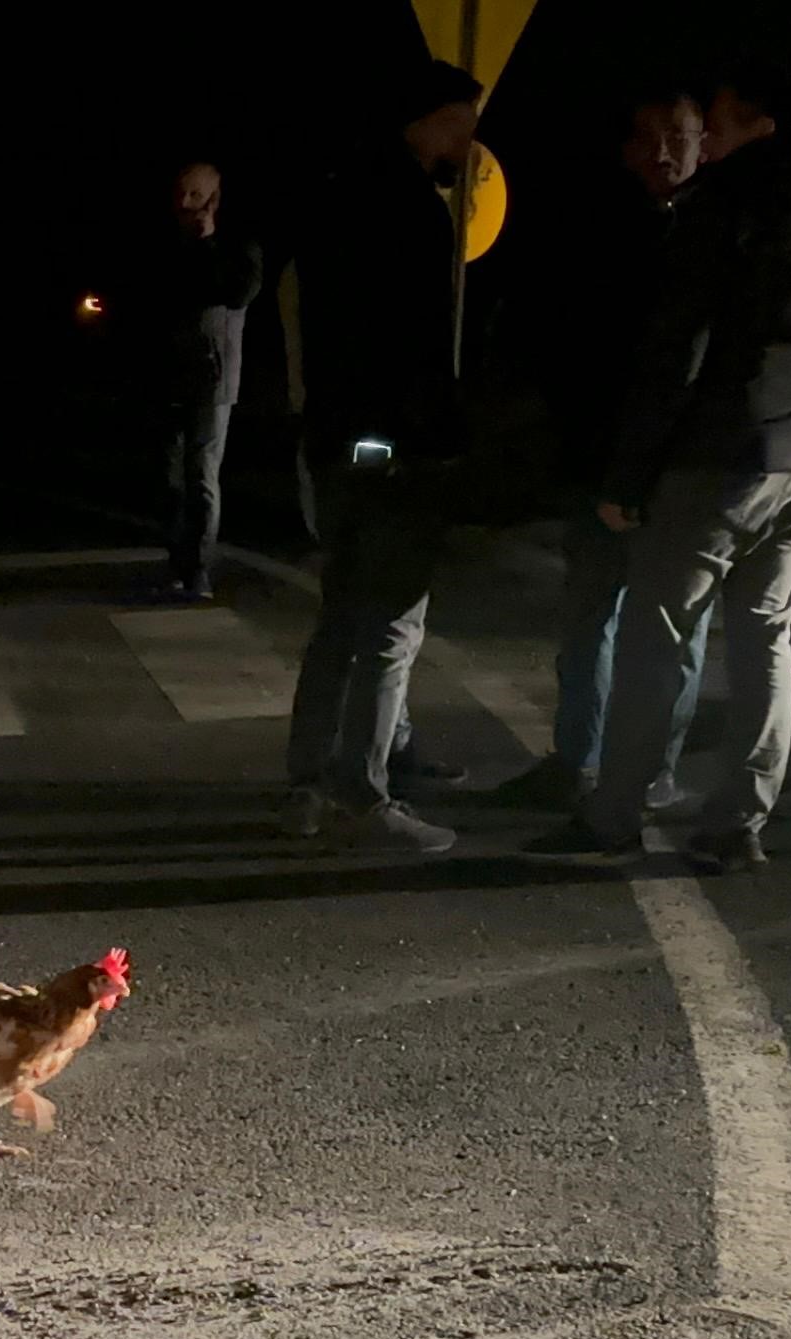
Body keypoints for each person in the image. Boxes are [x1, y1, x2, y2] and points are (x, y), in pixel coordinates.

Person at [528, 62, 791, 874]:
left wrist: (627, 479)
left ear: (759, 122)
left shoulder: (725, 207)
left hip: (716, 456)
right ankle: (739, 820)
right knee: (765, 641)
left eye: (722, 119)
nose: (712, 134)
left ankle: (615, 814)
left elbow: (678, 351)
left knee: (655, 640)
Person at [279, 60, 488, 855]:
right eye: (460, 121)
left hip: (336, 440)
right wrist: (440, 442)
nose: (469, 140)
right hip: (396, 451)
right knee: (390, 626)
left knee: (339, 617)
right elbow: (421, 350)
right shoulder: (414, 211)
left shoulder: (331, 192)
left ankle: (304, 786)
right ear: (425, 120)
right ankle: (363, 796)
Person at [494, 85, 709, 813]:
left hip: (683, 471)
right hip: (601, 463)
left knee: (672, 634)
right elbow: (567, 347)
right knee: (588, 624)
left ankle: (654, 771)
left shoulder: (722, 232)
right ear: (625, 150)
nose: (663, 150)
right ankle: (576, 760)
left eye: (678, 134)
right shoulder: (599, 232)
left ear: (704, 141)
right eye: (649, 136)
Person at [145, 161, 262, 604]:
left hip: (213, 379)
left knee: (201, 475)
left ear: (214, 199)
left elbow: (237, 291)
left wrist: (207, 242)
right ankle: (176, 565)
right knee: (170, 476)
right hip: (170, 375)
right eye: (179, 194)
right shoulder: (166, 245)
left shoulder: (237, 246)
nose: (183, 203)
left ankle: (198, 570)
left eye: (194, 195)